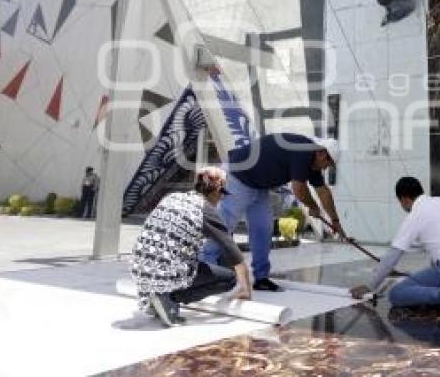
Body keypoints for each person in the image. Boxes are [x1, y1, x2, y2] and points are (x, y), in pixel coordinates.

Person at [201, 133, 343, 292]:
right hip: (237, 175)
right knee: (225, 224)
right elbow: (299, 190)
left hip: (259, 185)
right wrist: (313, 207)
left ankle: (261, 278)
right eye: (327, 163)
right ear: (321, 152)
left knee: (263, 229)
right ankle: (205, 271)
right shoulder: (303, 152)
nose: (325, 168)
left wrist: (335, 221)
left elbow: (323, 192)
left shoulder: (313, 163)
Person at [131, 167, 252, 327]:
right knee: (229, 278)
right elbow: (234, 254)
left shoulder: (172, 197)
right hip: (165, 272)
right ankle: (170, 297)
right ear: (216, 190)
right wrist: (246, 288)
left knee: (187, 260)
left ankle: (157, 298)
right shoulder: (205, 210)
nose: (222, 198)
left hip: (140, 269)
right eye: (222, 193)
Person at [350, 177, 440, 314]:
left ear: (404, 199)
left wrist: (370, 286)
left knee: (397, 293)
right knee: (422, 278)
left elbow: (392, 256)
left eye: (400, 202)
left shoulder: (416, 214)